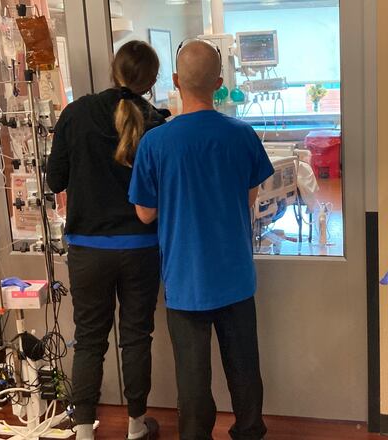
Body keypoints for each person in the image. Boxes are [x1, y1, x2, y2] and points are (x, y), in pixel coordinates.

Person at [129, 39, 274, 440]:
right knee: (244, 367)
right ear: (220, 82)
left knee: (192, 377)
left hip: (186, 279)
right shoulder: (242, 135)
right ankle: (249, 431)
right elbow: (250, 197)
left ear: (175, 81)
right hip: (235, 276)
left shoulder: (156, 142)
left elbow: (144, 212)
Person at [46, 40, 169, 440]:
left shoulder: (76, 113)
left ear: (114, 69)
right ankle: (135, 426)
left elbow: (55, 180)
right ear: (150, 82)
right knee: (136, 336)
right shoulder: (155, 123)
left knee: (89, 340)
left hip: (88, 248)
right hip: (140, 248)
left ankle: (83, 430)